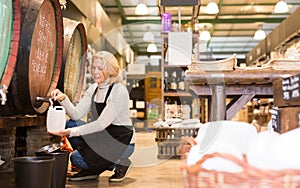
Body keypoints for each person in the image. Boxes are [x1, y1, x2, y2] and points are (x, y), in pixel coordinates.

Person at [49, 51, 134, 181]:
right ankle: (93, 168)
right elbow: (76, 114)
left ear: (110, 70)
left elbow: (101, 124)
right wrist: (63, 98)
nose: (95, 72)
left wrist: (72, 132)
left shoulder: (118, 91)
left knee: (76, 158)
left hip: (121, 140)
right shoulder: (94, 88)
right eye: (93, 67)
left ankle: (119, 162)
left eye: (100, 68)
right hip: (103, 135)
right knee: (71, 123)